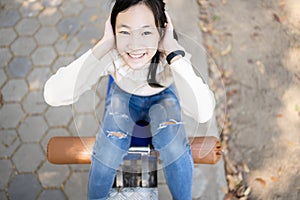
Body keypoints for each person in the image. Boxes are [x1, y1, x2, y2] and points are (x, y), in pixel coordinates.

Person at [44, 0, 215, 199]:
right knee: (108, 147)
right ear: (113, 31)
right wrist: (103, 45)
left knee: (174, 145)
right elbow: (53, 94)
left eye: (146, 32)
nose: (135, 45)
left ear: (161, 31)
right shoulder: (113, 53)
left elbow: (203, 113)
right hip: (124, 98)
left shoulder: (170, 54)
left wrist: (172, 51)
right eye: (125, 32)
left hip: (162, 97)